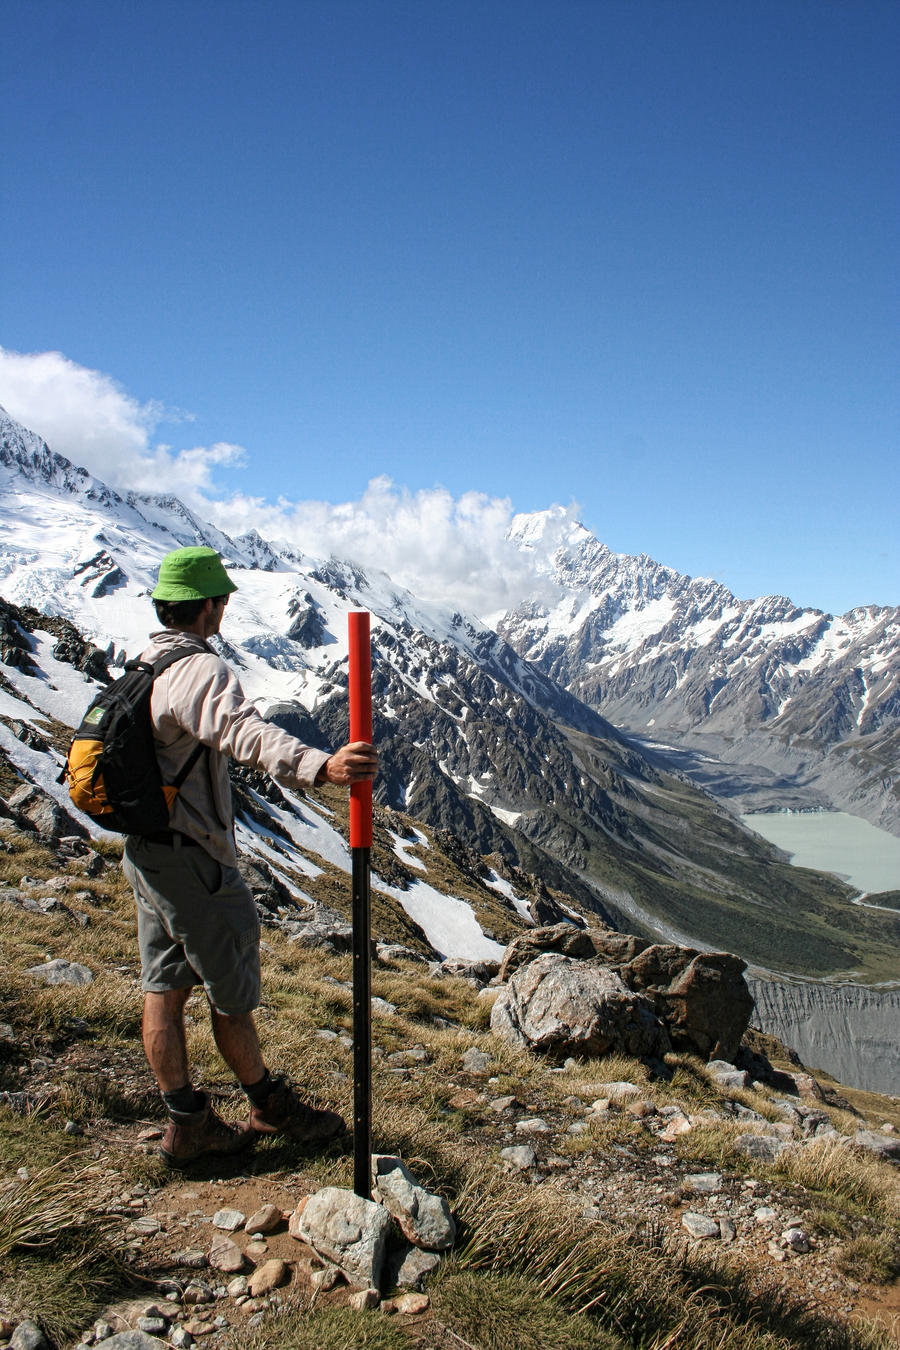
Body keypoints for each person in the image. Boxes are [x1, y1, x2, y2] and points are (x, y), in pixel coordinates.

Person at [121, 545, 378, 1168]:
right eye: (222, 598)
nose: (228, 606)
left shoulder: (141, 663)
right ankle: (267, 1104)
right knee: (230, 990)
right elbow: (244, 733)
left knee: (164, 987)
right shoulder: (198, 671)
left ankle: (187, 1122)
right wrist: (321, 765)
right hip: (196, 858)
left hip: (148, 852)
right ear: (205, 605)